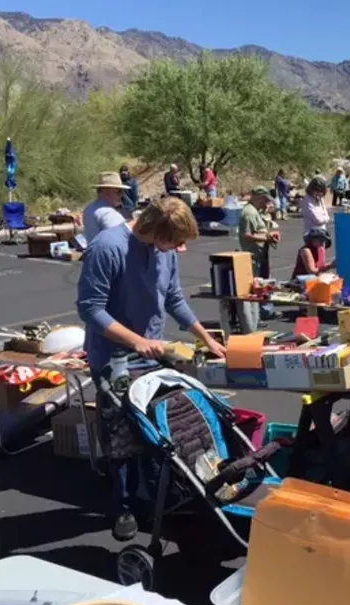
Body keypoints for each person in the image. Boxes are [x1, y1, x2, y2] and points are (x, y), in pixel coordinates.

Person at [76, 197, 226, 539]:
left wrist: (206, 338)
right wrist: (135, 341)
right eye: (176, 241)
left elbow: (173, 298)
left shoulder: (165, 251)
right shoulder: (107, 248)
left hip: (152, 354)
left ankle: (163, 499)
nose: (181, 249)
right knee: (121, 436)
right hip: (115, 358)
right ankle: (123, 506)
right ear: (155, 231)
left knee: (158, 430)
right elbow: (90, 308)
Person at [238, 187, 280, 332]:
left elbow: (258, 230)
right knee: (254, 287)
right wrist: (266, 237)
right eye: (265, 200)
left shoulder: (255, 211)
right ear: (259, 198)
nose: (266, 204)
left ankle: (259, 316)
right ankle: (253, 320)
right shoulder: (249, 212)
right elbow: (247, 235)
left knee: (261, 285)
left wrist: (268, 236)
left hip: (260, 254)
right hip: (253, 255)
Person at [82, 172, 129, 243]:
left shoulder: (89, 208)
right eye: (119, 191)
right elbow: (121, 237)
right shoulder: (107, 212)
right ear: (109, 191)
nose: (122, 195)